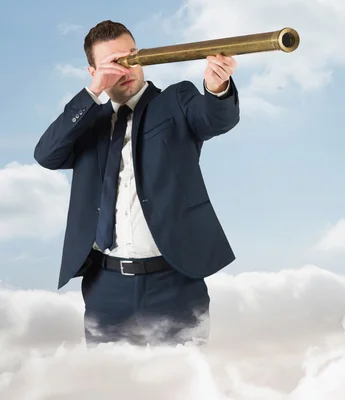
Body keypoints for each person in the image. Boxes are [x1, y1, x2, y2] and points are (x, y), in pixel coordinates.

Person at [33, 20, 240, 346]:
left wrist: (217, 88)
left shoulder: (176, 101)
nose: (127, 68)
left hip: (175, 284)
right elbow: (46, 154)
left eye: (131, 56)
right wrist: (92, 94)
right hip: (106, 289)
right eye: (114, 62)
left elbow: (214, 118)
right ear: (93, 71)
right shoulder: (89, 123)